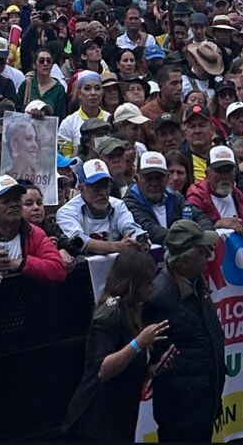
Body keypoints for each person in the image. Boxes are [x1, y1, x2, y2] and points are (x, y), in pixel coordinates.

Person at [64, 250, 171, 443]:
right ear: (134, 283)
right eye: (147, 282)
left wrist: (153, 369)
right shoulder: (110, 314)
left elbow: (128, 365)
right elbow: (103, 369)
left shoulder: (134, 310)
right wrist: (138, 343)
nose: (152, 286)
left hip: (121, 417)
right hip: (96, 422)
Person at [148, 219, 226, 444]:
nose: (208, 255)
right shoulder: (160, 296)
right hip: (181, 409)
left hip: (202, 401)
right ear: (184, 259)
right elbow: (154, 354)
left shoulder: (195, 283)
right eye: (202, 251)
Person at [0, 174, 66, 282]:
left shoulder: (36, 234)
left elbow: (58, 270)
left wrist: (21, 263)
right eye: (6, 201)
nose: (13, 204)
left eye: (16, 199)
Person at [123, 151, 186, 246]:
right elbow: (149, 230)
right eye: (148, 178)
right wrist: (188, 237)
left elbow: (198, 216)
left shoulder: (176, 197)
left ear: (167, 178)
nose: (154, 183)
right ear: (137, 179)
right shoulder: (129, 203)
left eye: (158, 178)